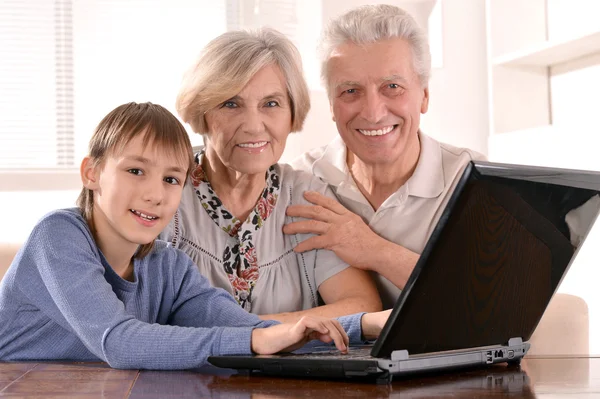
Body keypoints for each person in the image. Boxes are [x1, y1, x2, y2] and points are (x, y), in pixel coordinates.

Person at [0, 102, 388, 370]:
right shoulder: (59, 236)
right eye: (135, 171)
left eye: (171, 179)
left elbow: (247, 329)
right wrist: (256, 343)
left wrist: (365, 326)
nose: (155, 193)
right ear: (91, 173)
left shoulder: (166, 265)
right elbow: (117, 342)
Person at [162, 28, 381, 322]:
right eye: (230, 103)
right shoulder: (163, 189)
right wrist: (276, 332)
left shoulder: (306, 196)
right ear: (201, 113)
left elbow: (360, 304)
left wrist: (261, 331)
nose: (253, 126)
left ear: (292, 113)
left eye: (271, 104)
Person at [287, 4, 486, 309]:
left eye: (392, 87)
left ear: (424, 95)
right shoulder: (300, 181)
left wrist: (373, 249)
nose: (373, 113)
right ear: (330, 105)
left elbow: (488, 303)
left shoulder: (474, 180)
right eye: (350, 91)